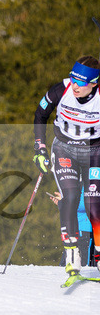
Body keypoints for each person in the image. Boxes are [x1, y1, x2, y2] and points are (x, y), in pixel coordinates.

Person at [32, 55, 100, 277]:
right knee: (70, 197)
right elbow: (41, 114)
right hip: (64, 149)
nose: (75, 86)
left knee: (94, 207)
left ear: (94, 83)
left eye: (81, 82)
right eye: (73, 78)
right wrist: (40, 148)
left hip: (93, 152)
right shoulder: (62, 90)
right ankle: (72, 258)